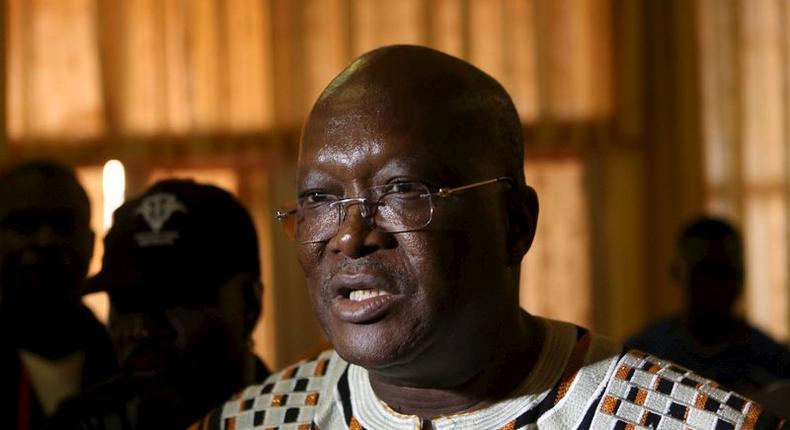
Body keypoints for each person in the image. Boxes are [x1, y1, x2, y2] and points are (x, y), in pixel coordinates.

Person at [194, 46, 787, 429]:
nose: (350, 236)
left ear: (514, 223)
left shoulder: (688, 422)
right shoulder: (253, 422)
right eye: (320, 199)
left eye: (402, 189)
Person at [50, 179, 270, 430]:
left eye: (174, 299)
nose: (143, 330)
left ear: (249, 304)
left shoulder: (307, 418)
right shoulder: (80, 426)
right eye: (126, 303)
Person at [0, 160, 117, 430]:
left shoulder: (131, 366)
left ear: (90, 243)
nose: (45, 241)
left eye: (63, 224)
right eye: (24, 225)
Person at [627, 217, 790, 408]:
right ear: (677, 273)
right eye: (703, 272)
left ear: (741, 276)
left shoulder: (774, 364)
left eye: (724, 272)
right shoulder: (642, 358)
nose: (714, 286)